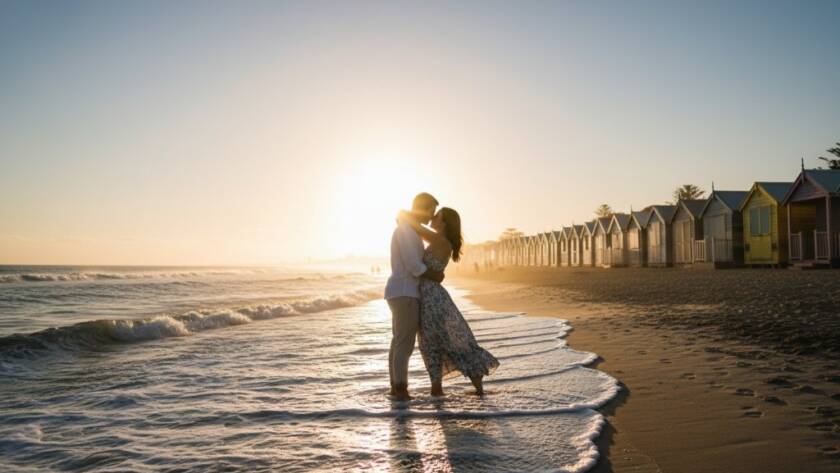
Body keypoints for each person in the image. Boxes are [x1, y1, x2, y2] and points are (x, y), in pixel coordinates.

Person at [397, 207, 499, 396]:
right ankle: (443, 389)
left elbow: (415, 227)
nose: (433, 217)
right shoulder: (441, 240)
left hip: (432, 297)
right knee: (436, 341)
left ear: (444, 224)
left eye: (437, 216)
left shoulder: (440, 240)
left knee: (438, 342)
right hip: (430, 296)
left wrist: (403, 214)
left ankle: (452, 385)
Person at [384, 192, 445, 401]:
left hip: (401, 291)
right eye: (431, 211)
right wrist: (435, 275)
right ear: (422, 208)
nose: (431, 216)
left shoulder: (409, 229)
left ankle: (396, 387)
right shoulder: (406, 231)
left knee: (398, 341)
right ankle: (401, 389)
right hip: (405, 292)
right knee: (404, 343)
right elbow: (413, 265)